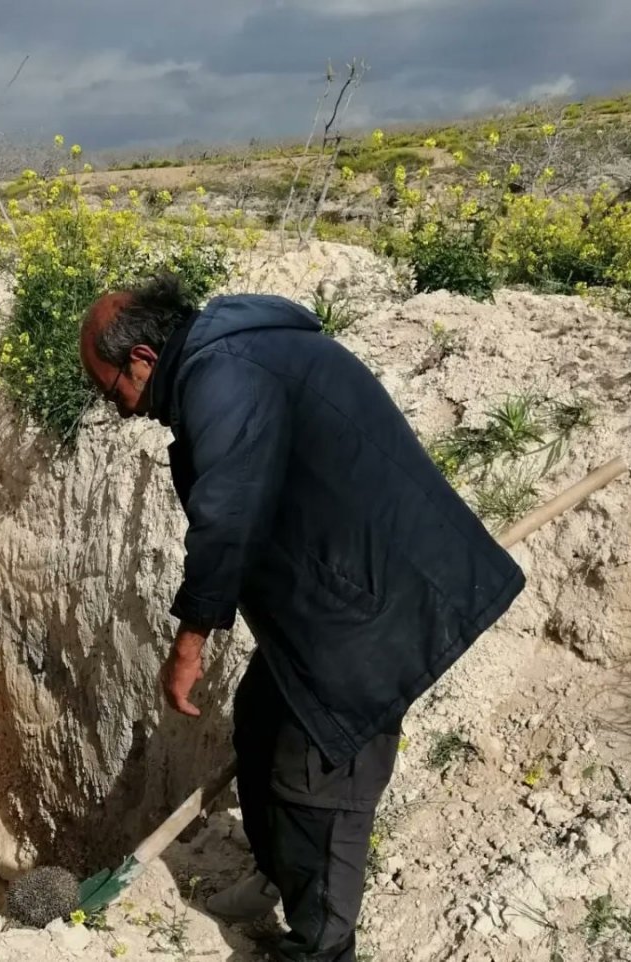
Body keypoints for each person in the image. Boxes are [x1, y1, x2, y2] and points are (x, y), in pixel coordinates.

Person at [77, 275, 525, 962]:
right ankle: (274, 879)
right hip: (337, 585)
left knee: (322, 771)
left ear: (141, 357)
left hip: (374, 605)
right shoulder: (229, 354)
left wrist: (190, 641)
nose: (123, 411)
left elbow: (228, 513)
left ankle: (320, 943)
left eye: (113, 391)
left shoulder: (224, 373)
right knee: (261, 720)